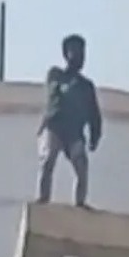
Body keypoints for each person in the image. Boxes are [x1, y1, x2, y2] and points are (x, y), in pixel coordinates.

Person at [36, 34, 102, 207]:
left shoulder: (86, 86)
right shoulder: (56, 75)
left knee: (81, 166)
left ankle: (80, 203)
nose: (80, 57)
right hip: (55, 126)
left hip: (74, 131)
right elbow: (54, 97)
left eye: (82, 53)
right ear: (66, 54)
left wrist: (95, 135)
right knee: (48, 160)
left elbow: (94, 113)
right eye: (75, 52)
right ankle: (43, 198)